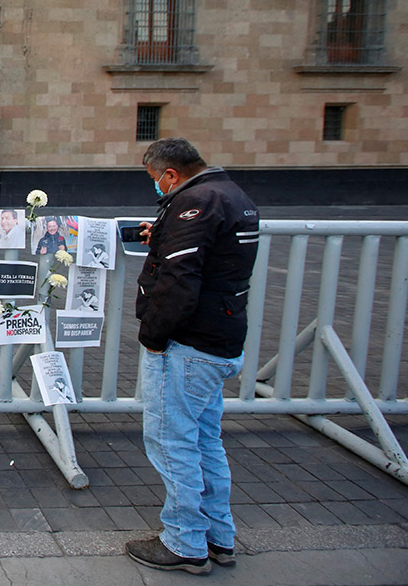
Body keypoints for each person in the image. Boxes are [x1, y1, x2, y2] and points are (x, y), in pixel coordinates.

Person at [125, 138, 259, 575]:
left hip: (189, 345)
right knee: (205, 441)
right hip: (221, 338)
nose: (156, 189)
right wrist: (161, 234)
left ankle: (184, 542)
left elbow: (180, 280)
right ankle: (219, 537)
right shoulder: (231, 195)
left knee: (171, 441)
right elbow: (210, 255)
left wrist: (154, 336)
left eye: (155, 180)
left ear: (170, 174)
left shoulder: (194, 204)